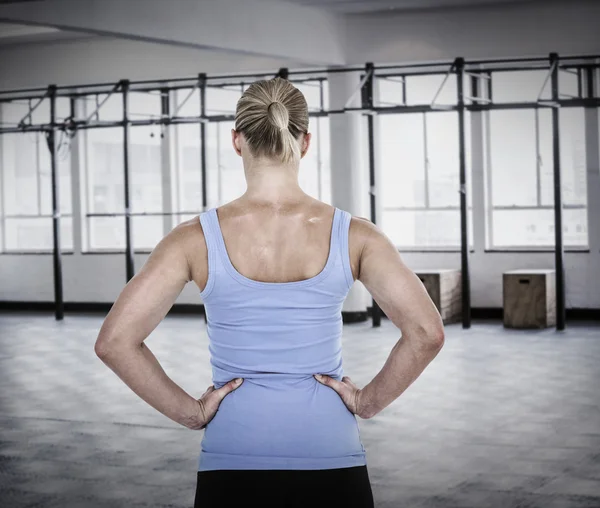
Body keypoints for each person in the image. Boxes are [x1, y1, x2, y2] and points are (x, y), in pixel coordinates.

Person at [94, 77, 445, 508]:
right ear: (306, 141)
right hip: (331, 455)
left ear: (237, 141)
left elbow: (114, 342)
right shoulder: (355, 236)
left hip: (231, 462)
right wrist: (366, 402)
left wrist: (193, 413)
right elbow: (427, 333)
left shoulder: (192, 239)